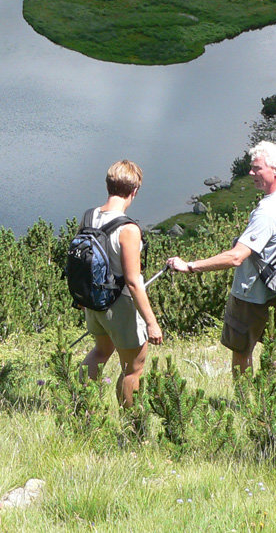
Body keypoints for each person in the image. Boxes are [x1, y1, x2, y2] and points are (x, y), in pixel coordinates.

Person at [167, 141, 276, 382]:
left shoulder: (267, 212)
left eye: (257, 168)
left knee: (241, 349)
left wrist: (190, 266)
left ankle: (244, 398)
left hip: (252, 293)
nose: (251, 173)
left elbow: (236, 256)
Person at [80, 159, 163, 408]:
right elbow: (133, 281)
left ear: (108, 185)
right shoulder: (128, 229)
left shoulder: (88, 217)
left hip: (93, 302)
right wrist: (151, 322)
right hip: (121, 306)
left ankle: (78, 407)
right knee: (132, 368)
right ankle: (131, 422)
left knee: (100, 351)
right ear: (134, 191)